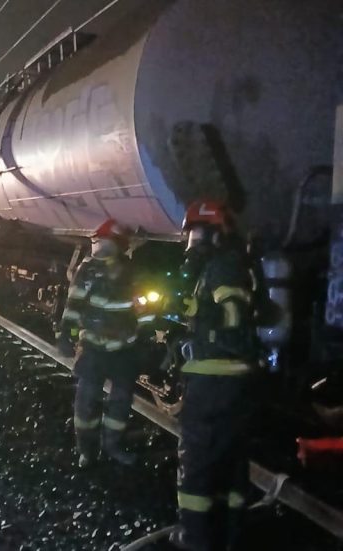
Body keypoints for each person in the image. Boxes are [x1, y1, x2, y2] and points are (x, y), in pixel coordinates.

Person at [171, 200, 256, 551]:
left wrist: (203, 338)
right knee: (231, 463)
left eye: (201, 232)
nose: (195, 240)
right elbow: (208, 313)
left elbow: (234, 318)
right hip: (232, 384)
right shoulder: (218, 267)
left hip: (213, 381)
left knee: (198, 463)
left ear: (218, 236)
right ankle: (229, 535)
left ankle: (194, 538)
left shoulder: (222, 268)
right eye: (192, 233)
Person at [57, 219, 139, 467]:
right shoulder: (88, 270)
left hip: (122, 348)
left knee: (120, 401)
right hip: (94, 346)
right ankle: (87, 451)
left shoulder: (130, 271)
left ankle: (111, 446)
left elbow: (140, 306)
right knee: (86, 401)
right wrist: (66, 335)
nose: (99, 247)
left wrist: (143, 334)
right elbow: (74, 304)